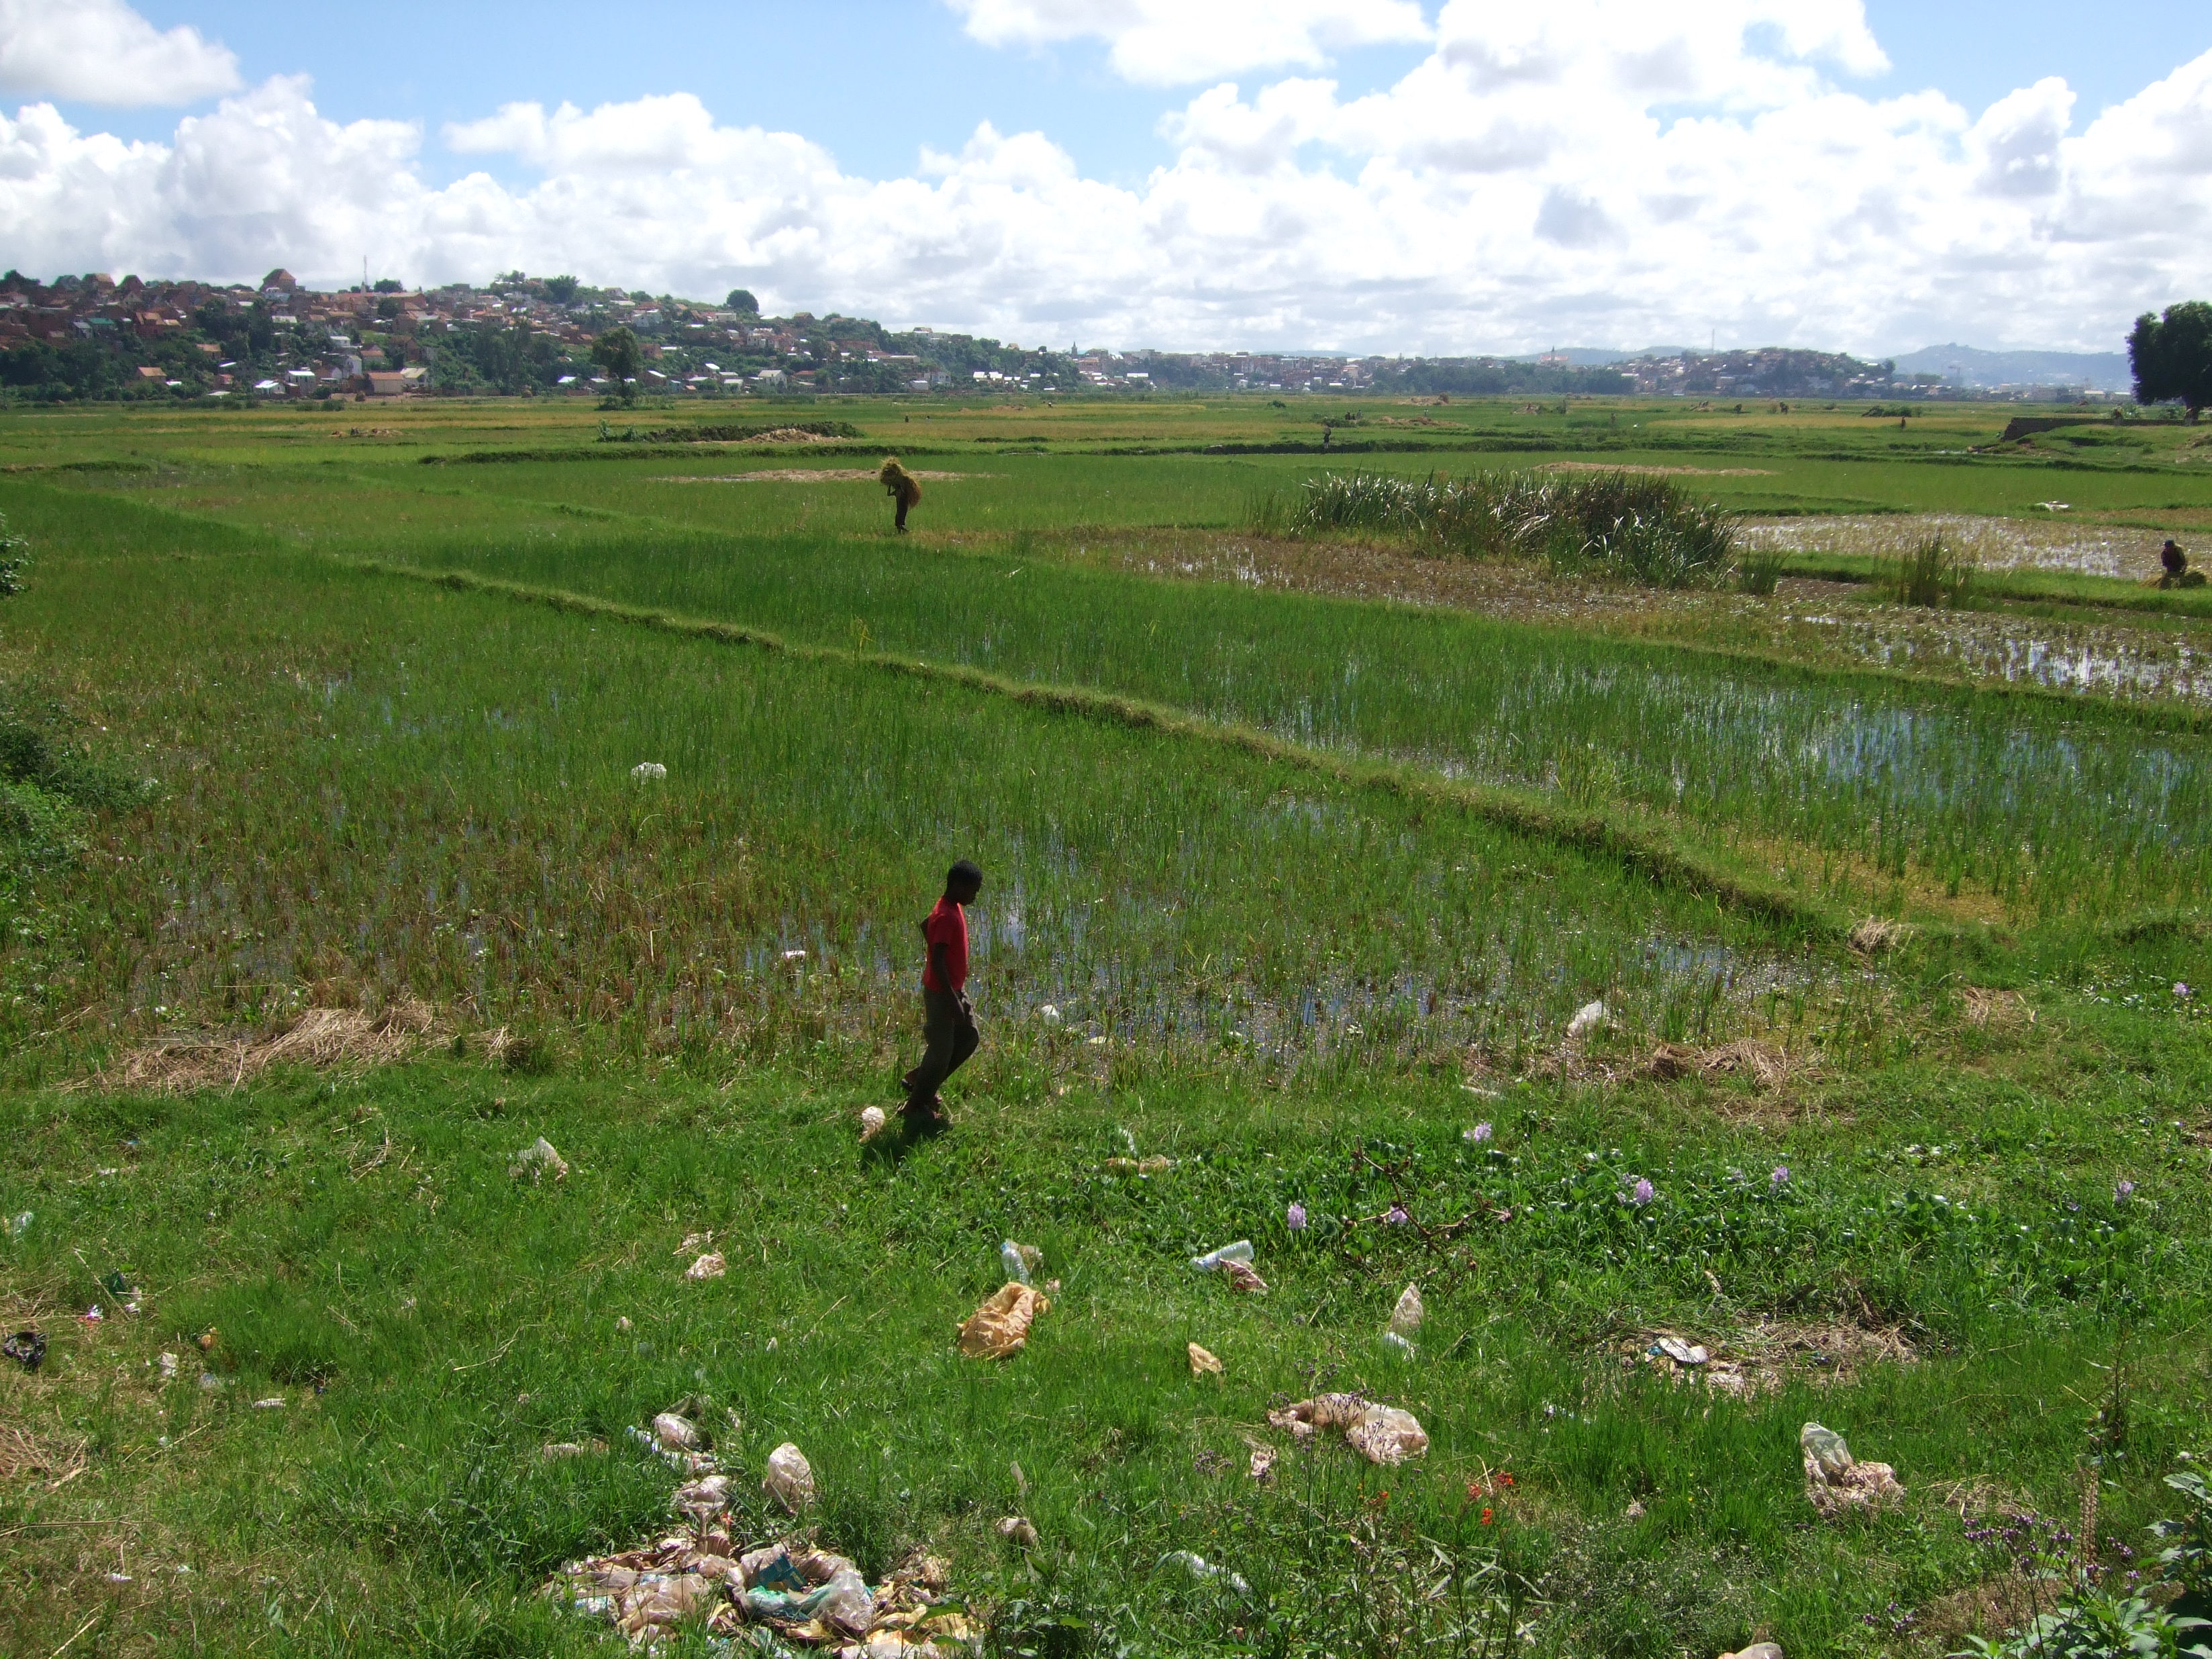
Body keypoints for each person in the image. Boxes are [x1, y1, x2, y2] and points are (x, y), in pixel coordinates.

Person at [901, 859, 981, 1130]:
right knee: (941, 1051)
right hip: (941, 993)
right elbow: (936, 962)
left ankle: (921, 1080)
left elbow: (926, 924)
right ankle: (915, 1105)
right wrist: (951, 999)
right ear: (958, 886)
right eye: (973, 890)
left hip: (952, 989)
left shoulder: (950, 907)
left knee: (969, 1037)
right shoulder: (946, 915)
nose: (975, 896)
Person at [879, 456, 923, 532]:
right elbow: (889, 494)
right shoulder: (899, 491)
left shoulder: (899, 491)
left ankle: (903, 531)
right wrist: (890, 485)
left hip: (902, 506)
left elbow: (889, 494)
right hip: (901, 506)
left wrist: (891, 485)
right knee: (900, 519)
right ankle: (903, 531)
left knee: (900, 519)